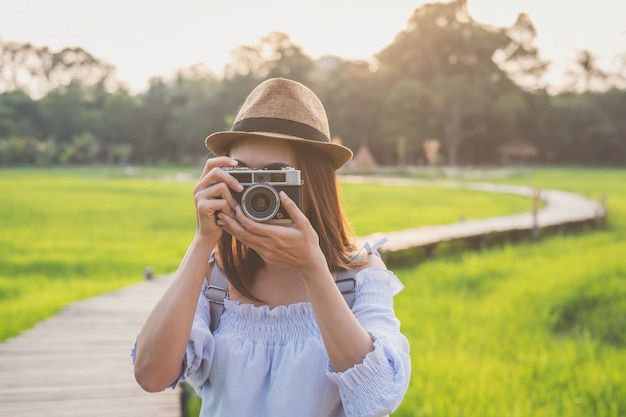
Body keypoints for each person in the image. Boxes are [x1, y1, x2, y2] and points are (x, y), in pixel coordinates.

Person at [131, 78, 411, 417]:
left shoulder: (359, 276)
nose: (257, 193)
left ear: (315, 183)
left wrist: (314, 270)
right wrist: (203, 239)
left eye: (274, 176)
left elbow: (377, 398)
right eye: (243, 175)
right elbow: (151, 375)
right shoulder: (216, 275)